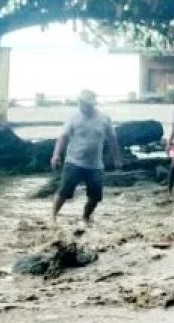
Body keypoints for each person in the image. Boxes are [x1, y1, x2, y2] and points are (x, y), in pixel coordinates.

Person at [50, 89, 121, 224]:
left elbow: (112, 139)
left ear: (92, 104)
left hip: (95, 165)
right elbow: (63, 138)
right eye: (81, 103)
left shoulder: (104, 118)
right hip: (73, 162)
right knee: (64, 192)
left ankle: (85, 217)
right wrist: (56, 155)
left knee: (95, 197)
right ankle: (53, 217)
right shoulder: (73, 118)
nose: (83, 106)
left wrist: (117, 159)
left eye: (86, 104)